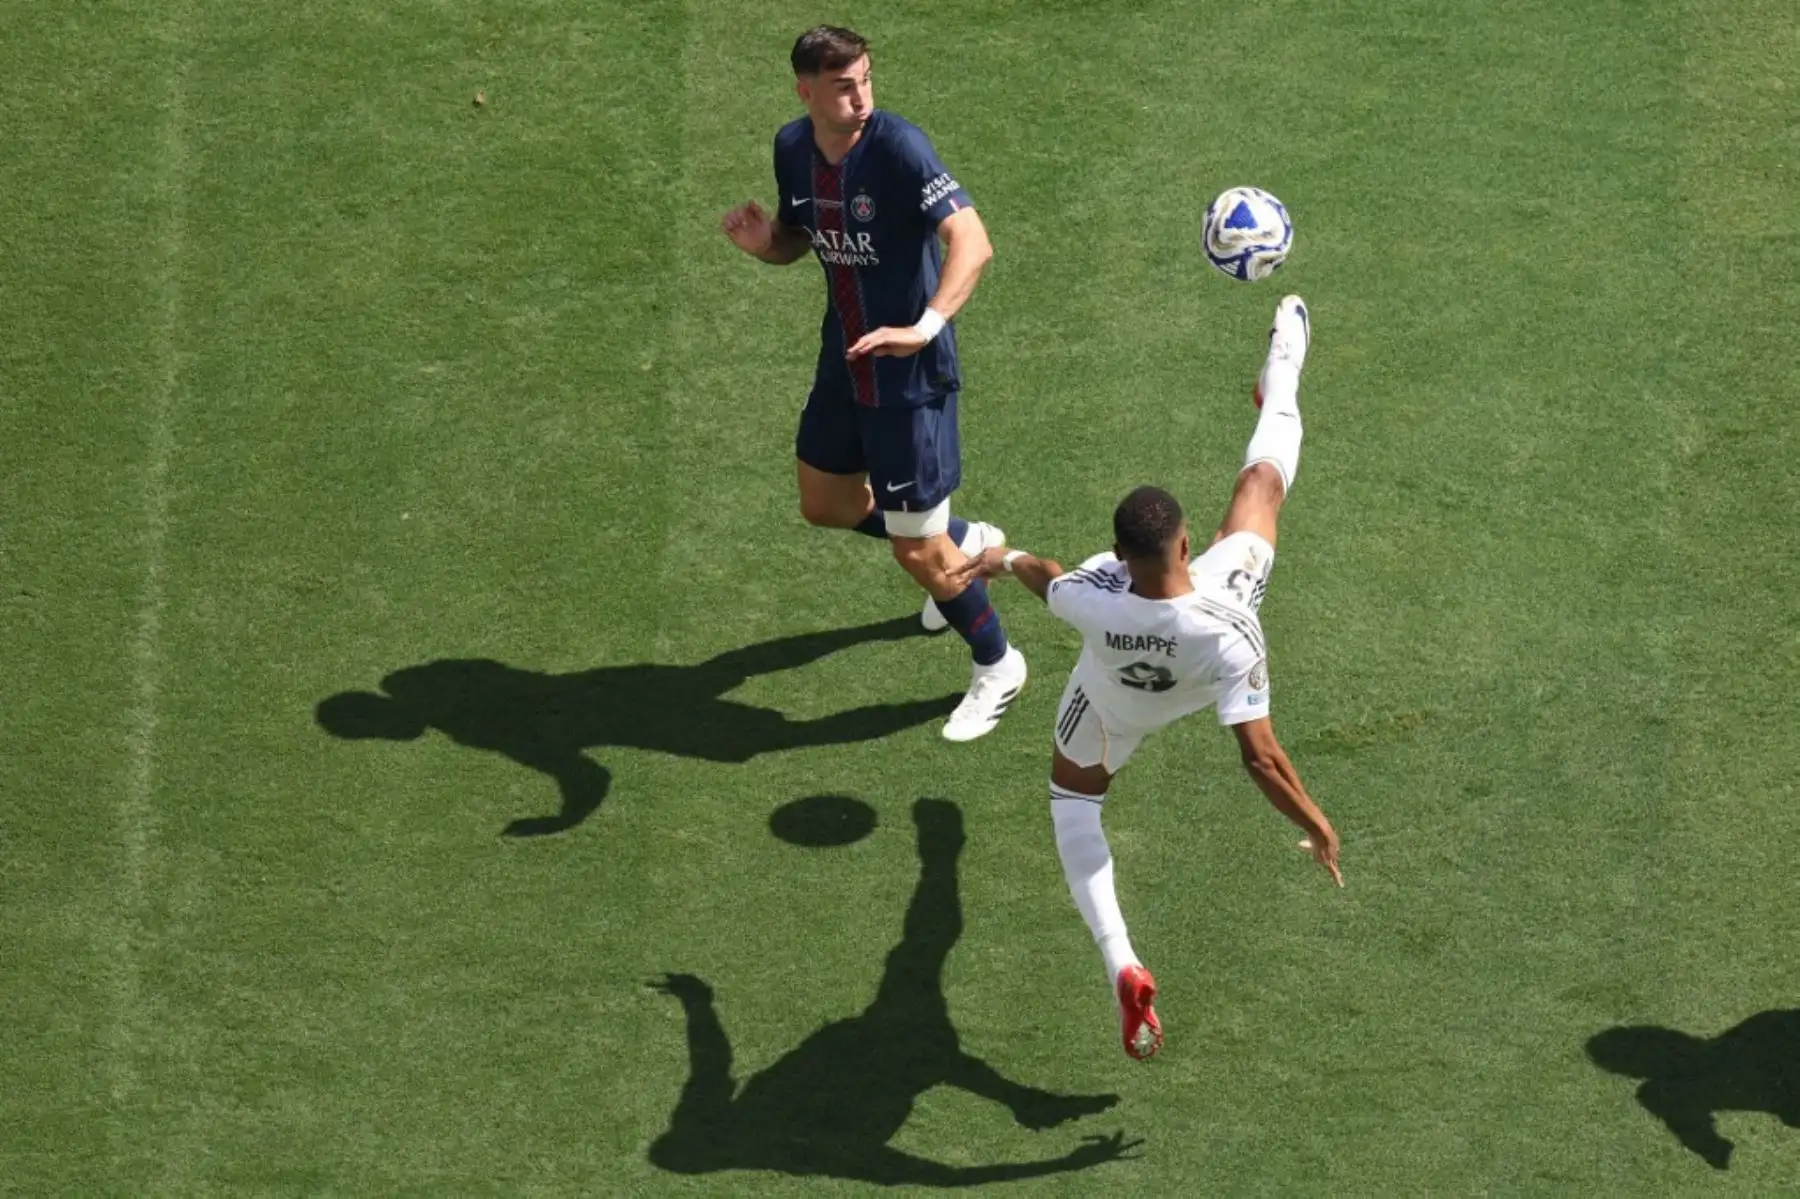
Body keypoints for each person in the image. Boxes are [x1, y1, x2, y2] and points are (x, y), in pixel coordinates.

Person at [954, 295, 1343, 1060]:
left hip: (1108, 709)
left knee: (1073, 810)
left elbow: (1044, 573)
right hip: (1202, 663)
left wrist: (994, 559)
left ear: (1119, 552)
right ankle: (1286, 362)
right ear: (1189, 541)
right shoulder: (1234, 624)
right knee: (1263, 483)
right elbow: (1260, 756)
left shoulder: (1089, 602)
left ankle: (1121, 963)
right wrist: (1315, 822)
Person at [720, 25, 1025, 742]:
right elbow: (803, 236)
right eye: (842, 86)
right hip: (846, 356)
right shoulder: (792, 148)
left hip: (910, 374)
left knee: (914, 552)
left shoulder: (898, 148)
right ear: (806, 91)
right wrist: (768, 246)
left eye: (865, 79)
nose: (861, 97)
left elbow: (972, 241)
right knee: (824, 501)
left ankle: (997, 661)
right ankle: (963, 536)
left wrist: (923, 326)